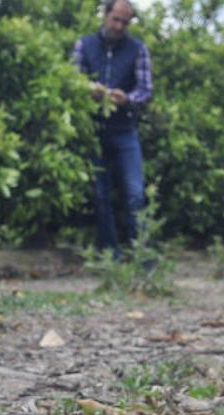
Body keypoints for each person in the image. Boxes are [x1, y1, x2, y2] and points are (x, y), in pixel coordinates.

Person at [71, 0, 153, 255]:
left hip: (125, 130)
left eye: (125, 22)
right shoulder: (84, 45)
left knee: (135, 194)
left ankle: (140, 256)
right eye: (115, 19)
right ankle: (110, 257)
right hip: (94, 131)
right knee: (100, 195)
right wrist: (87, 90)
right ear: (106, 15)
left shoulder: (137, 49)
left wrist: (127, 98)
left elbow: (145, 90)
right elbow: (71, 80)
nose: (119, 26)